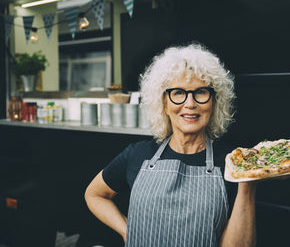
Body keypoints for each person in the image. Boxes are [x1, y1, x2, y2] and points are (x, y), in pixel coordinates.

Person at [84, 44, 257, 246]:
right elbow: (94, 195)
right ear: (164, 103)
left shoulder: (232, 162)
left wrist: (247, 183)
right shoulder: (138, 154)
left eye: (200, 92)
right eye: (178, 93)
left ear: (214, 102)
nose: (190, 103)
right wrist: (126, 230)